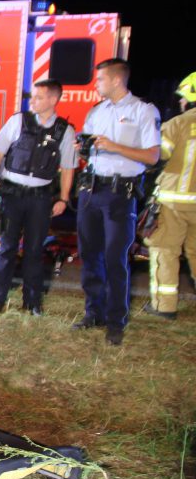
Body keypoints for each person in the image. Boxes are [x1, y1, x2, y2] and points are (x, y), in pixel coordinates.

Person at [73, 58, 161, 345]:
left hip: (120, 196)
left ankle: (115, 321)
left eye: (99, 80)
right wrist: (81, 148)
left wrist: (114, 146)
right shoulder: (96, 112)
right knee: (90, 256)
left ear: (115, 80)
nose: (95, 84)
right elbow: (88, 152)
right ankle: (93, 313)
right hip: (91, 191)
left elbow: (152, 156)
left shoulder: (143, 111)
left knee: (115, 259)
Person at [0, 79, 77, 315]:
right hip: (11, 194)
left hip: (40, 198)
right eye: (32, 97)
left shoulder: (64, 130)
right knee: (6, 248)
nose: (32, 101)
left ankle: (32, 302)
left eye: (38, 97)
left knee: (34, 250)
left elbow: (68, 167)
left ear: (53, 100)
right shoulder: (18, 121)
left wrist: (63, 198)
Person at [143, 71, 196, 319]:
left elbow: (157, 156)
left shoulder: (177, 123)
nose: (181, 102)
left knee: (165, 250)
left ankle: (164, 308)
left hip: (175, 200)